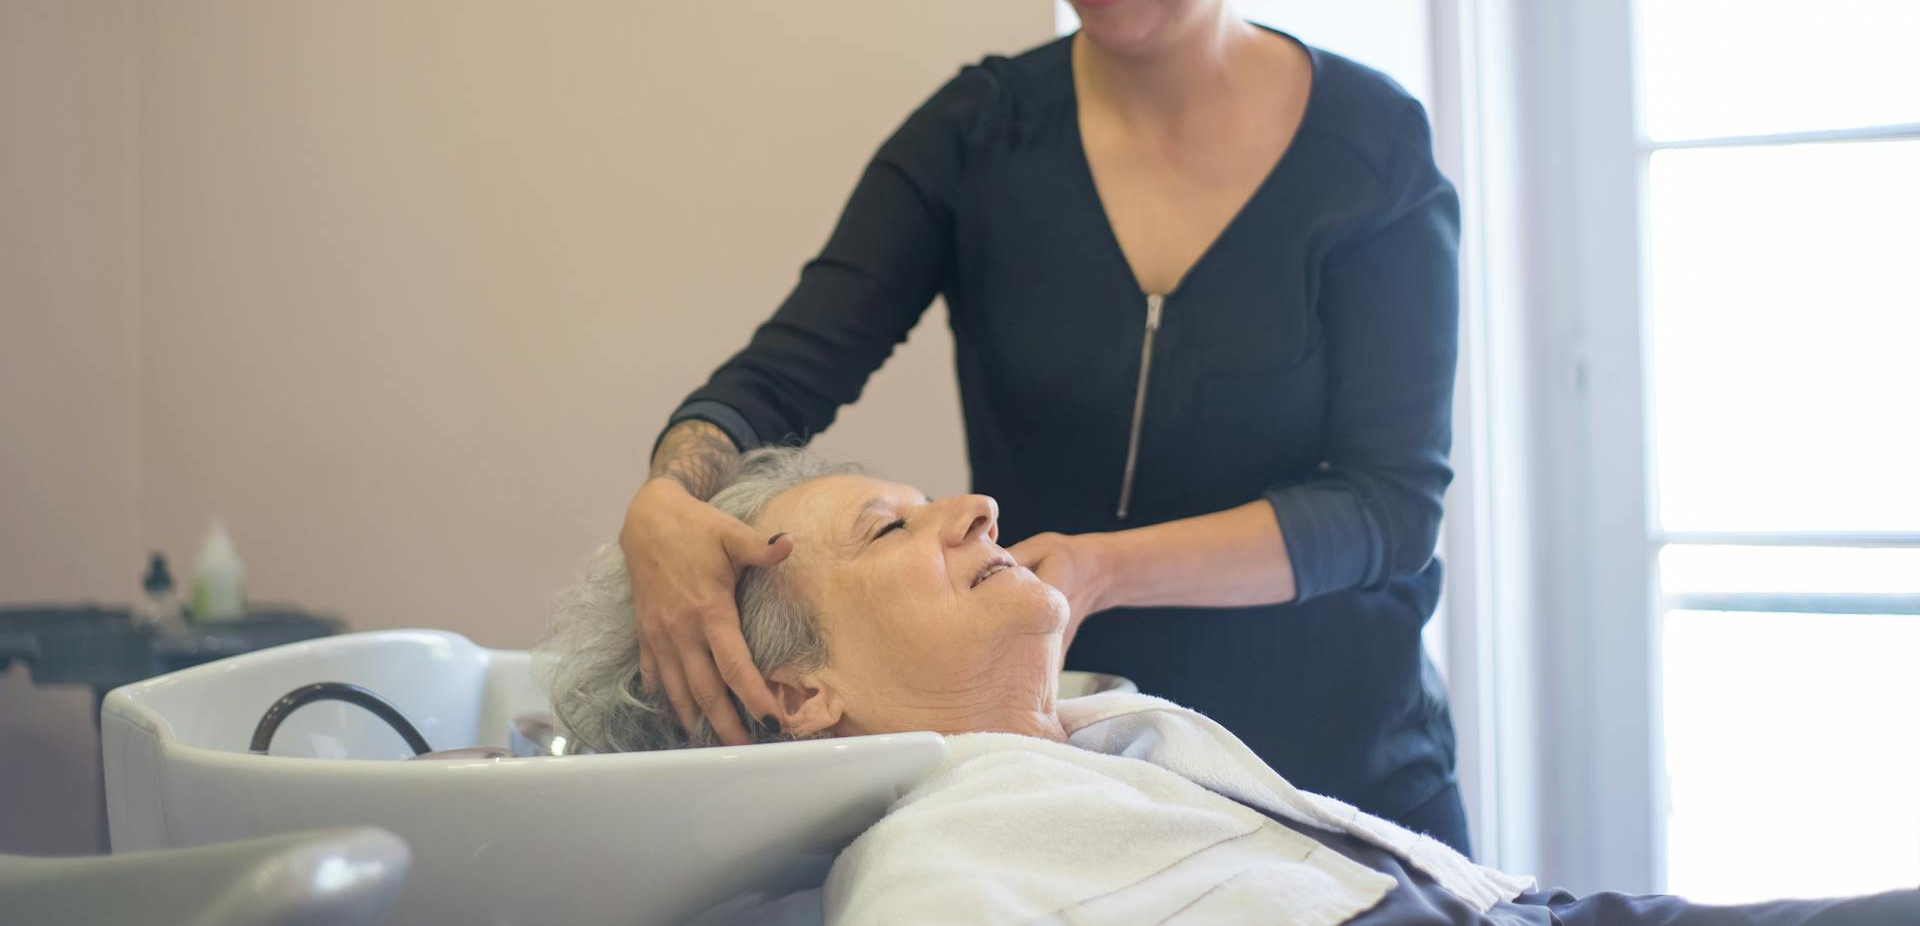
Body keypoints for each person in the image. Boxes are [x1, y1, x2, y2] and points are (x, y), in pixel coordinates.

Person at [620, 0, 1470, 850]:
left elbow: (1385, 511)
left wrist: (1105, 571)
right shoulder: (977, 140)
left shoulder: (1368, 148)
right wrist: (665, 498)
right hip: (1078, 784)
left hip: (1339, 779)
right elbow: (780, 380)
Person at [549, 448, 1919, 926]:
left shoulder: (1108, 735)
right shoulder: (939, 852)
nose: (972, 505)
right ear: (797, 695)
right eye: (892, 531)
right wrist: (669, 490)